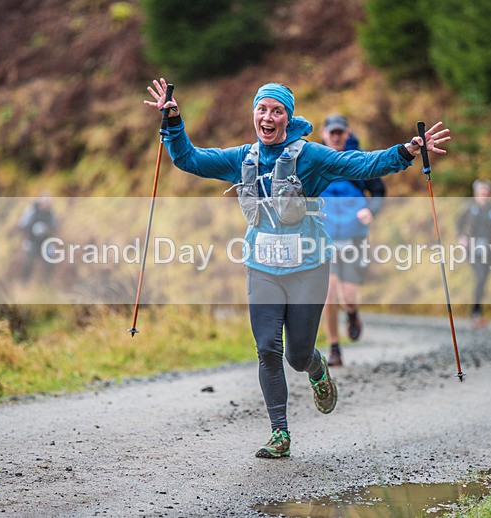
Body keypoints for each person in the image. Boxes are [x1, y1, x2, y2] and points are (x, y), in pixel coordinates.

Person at [144, 78, 451, 459]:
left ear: (288, 118)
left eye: (277, 111)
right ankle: (279, 433)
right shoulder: (243, 157)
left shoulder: (310, 157)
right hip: (262, 266)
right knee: (268, 349)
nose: (268, 117)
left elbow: (362, 164)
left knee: (296, 355)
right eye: (262, 109)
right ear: (254, 114)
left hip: (309, 266)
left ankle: (317, 367)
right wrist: (173, 122)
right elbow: (188, 159)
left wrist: (406, 151)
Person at [319, 114, 387, 367]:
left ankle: (353, 314)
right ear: (324, 134)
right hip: (323, 237)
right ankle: (334, 348)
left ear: (347, 134)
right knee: (328, 294)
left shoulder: (360, 160)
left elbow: (379, 191)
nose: (336, 137)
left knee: (347, 296)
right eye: (331, 132)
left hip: (354, 235)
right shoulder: (315, 160)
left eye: (340, 132)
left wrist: (372, 209)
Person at [456, 179, 491, 329]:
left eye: (486, 194)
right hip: (472, 250)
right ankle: (475, 313)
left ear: (490, 194)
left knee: (483, 280)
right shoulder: (469, 209)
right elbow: (459, 225)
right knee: (480, 278)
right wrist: (462, 237)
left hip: (489, 250)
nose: (484, 196)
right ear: (476, 194)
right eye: (481, 194)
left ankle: (477, 311)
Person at [17, 192, 59, 282]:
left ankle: (46, 282)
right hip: (32, 241)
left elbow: (55, 228)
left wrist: (48, 231)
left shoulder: (51, 214)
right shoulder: (31, 210)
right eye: (46, 202)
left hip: (45, 242)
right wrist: (28, 236)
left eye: (49, 203)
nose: (47, 205)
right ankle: (24, 282)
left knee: (51, 259)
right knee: (29, 262)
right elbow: (22, 225)